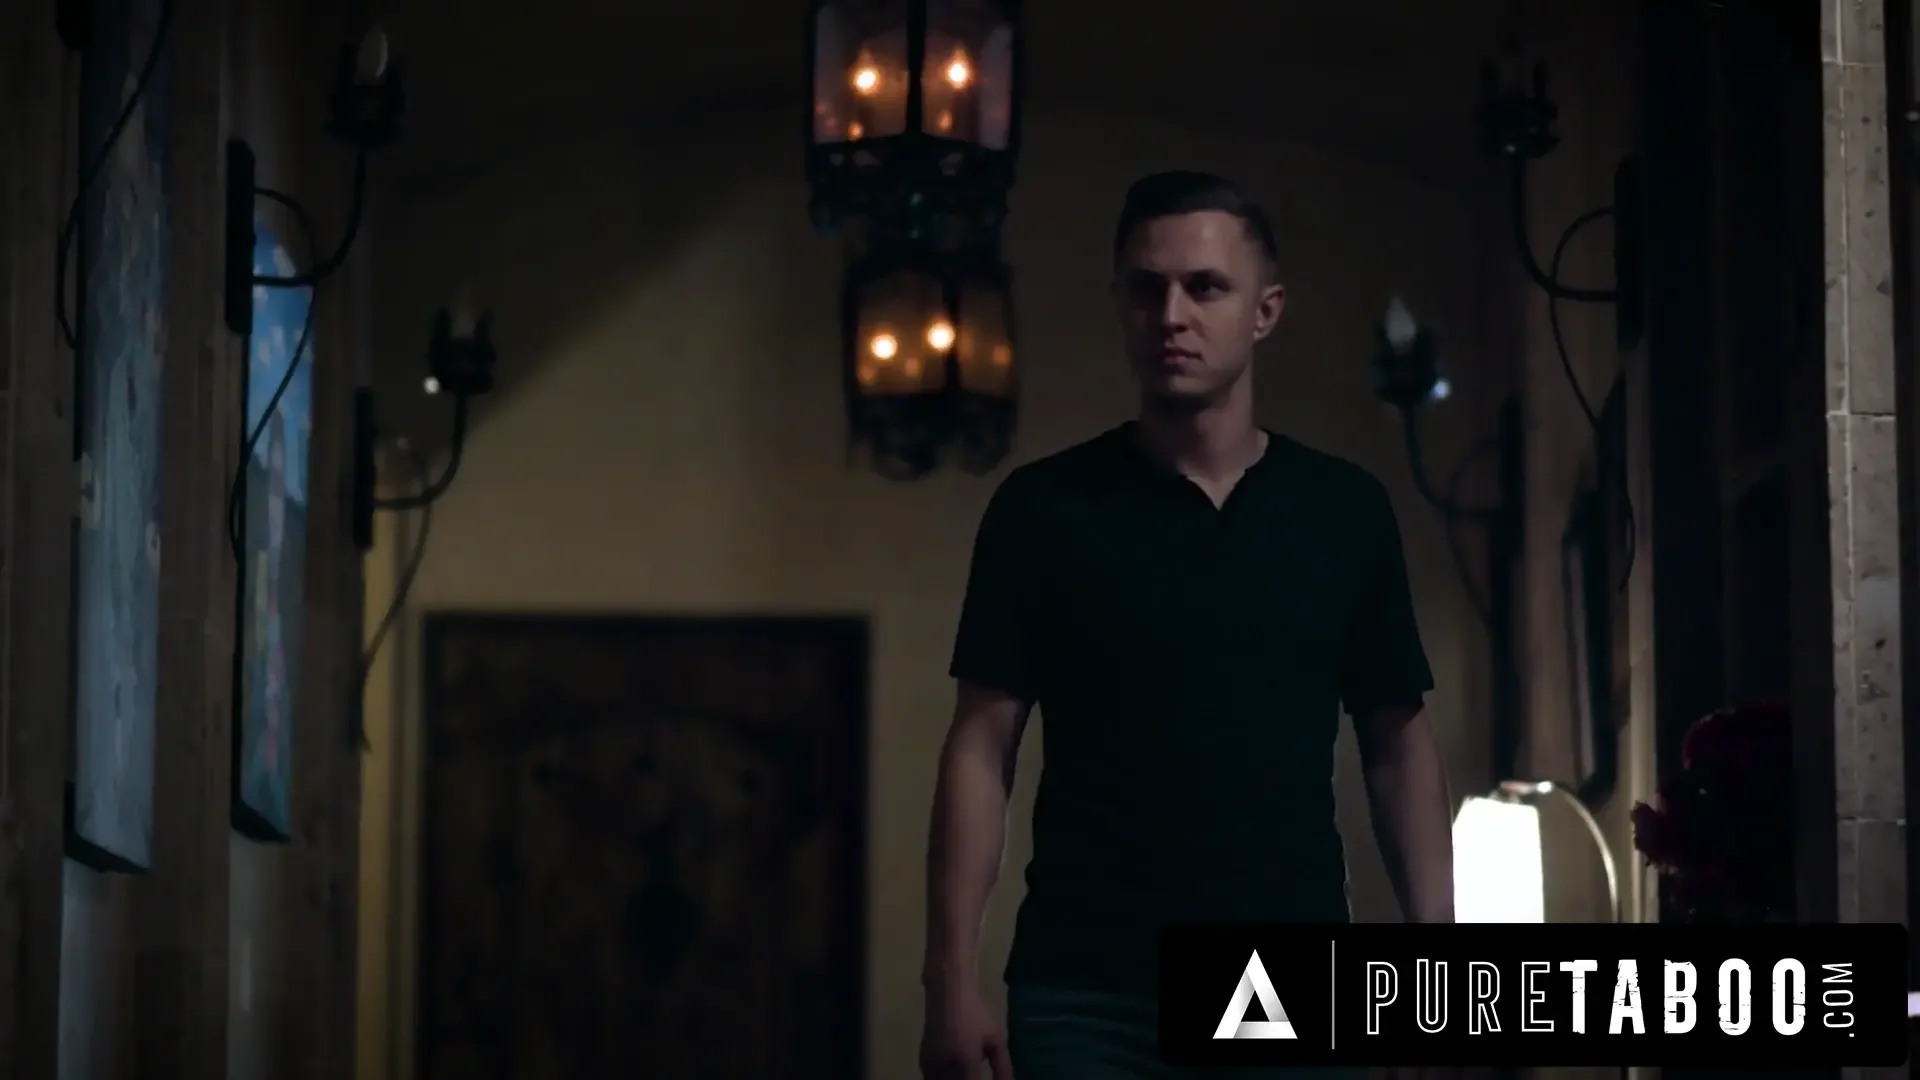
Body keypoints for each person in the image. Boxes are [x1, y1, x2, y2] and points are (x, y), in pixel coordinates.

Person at [918, 171, 1455, 1080]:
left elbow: (1397, 740)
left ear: (1264, 311)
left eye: (1205, 287)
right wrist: (949, 980)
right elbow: (980, 746)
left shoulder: (1342, 512)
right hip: (1086, 989)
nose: (1171, 315)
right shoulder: (1043, 509)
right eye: (1146, 288)